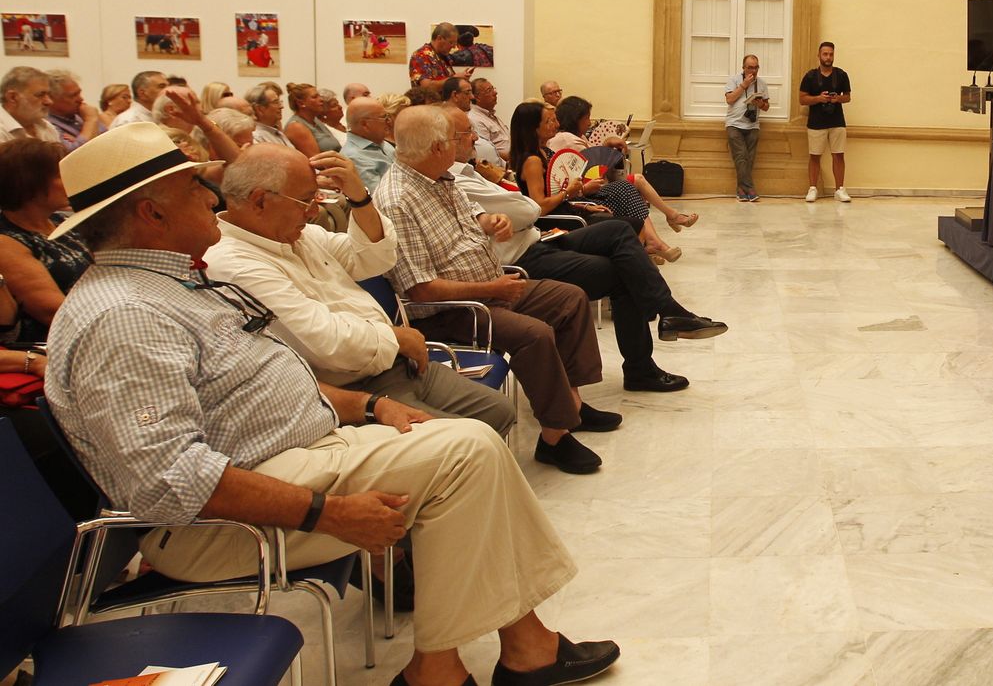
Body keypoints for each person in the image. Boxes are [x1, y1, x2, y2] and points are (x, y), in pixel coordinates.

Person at [42, 124, 620, 686]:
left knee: (473, 448)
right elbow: (170, 481)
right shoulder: (124, 316)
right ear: (153, 213)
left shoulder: (173, 287)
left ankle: (507, 653)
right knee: (465, 456)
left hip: (289, 454)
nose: (213, 197)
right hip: (217, 524)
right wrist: (328, 513)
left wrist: (369, 407)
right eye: (196, 187)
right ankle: (472, 663)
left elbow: (268, 379)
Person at [206, 145, 515, 433]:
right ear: (260, 201)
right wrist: (396, 338)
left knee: (500, 411)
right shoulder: (234, 263)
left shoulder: (300, 235)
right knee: (473, 440)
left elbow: (375, 258)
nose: (314, 211)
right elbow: (324, 341)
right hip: (351, 389)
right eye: (306, 200)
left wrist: (359, 198)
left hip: (396, 363)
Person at [373, 107, 614, 475]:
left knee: (570, 298)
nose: (469, 141)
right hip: (451, 310)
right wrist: (492, 287)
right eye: (460, 137)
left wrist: (490, 221)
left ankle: (572, 404)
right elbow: (420, 290)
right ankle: (555, 436)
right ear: (437, 147)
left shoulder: (439, 177)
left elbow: (472, 215)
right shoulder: (397, 199)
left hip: (490, 287)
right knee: (534, 334)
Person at [442, 107, 721, 378]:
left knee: (620, 229)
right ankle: (649, 353)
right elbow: (530, 209)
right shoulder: (467, 178)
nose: (476, 138)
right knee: (624, 266)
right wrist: (562, 195)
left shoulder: (473, 172)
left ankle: (670, 314)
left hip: (538, 236)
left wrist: (559, 198)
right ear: (446, 140)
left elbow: (524, 205)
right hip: (525, 252)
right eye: (468, 133)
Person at [0, 137, 97, 519]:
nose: (69, 179)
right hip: (51, 342)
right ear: (31, 182)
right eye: (60, 173)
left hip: (90, 328)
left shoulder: (62, 221)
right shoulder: (7, 240)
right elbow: (51, 309)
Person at [550, 97, 695, 260]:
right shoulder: (566, 140)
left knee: (631, 188)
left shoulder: (578, 138)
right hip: (583, 195)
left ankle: (654, 239)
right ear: (576, 120)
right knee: (632, 186)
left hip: (589, 189)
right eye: (587, 119)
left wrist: (606, 146)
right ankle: (661, 231)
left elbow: (594, 159)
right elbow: (589, 168)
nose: (590, 123)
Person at [799, 41, 852, 202]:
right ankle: (813, 188)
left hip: (837, 121)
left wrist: (837, 99)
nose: (828, 57)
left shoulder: (841, 75)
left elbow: (848, 97)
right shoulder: (810, 76)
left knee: (839, 155)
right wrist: (819, 98)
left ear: (834, 55)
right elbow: (802, 99)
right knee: (814, 156)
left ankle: (840, 189)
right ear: (819, 55)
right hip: (816, 122)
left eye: (831, 54)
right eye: (825, 54)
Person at [725, 55, 769, 202]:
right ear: (743, 68)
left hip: (752, 124)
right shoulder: (734, 80)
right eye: (750, 67)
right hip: (734, 124)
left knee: (749, 159)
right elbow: (729, 100)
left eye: (756, 67)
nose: (753, 70)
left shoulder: (762, 84)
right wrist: (744, 85)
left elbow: (767, 107)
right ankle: (750, 188)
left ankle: (740, 190)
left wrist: (760, 104)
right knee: (741, 156)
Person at [441, 77, 502, 167]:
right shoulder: (444, 118)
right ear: (455, 95)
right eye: (467, 92)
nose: (472, 97)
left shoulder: (465, 114)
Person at [343, 96, 397, 192]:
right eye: (384, 117)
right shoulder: (354, 158)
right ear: (365, 124)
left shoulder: (381, 142)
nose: (389, 121)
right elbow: (379, 198)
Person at [46, 70, 106, 150]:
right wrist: (90, 121)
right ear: (51, 99)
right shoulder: (48, 125)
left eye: (79, 93)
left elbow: (110, 141)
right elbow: (75, 155)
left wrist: (79, 140)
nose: (81, 99)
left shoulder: (81, 114)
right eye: (73, 96)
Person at [1, 66, 59, 145]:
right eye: (40, 95)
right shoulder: (2, 130)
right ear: (13, 97)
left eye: (48, 95)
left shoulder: (47, 127)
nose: (49, 102)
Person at [284, 83, 343, 157]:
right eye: (315, 97)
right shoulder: (296, 127)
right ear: (301, 103)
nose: (321, 100)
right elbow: (315, 161)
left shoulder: (315, 120)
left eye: (319, 96)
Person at [409, 22, 464, 94]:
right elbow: (426, 87)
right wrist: (454, 79)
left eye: (455, 43)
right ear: (439, 38)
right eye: (451, 42)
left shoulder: (443, 56)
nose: (454, 47)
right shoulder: (421, 56)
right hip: (429, 104)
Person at [469, 78, 511, 163]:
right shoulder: (475, 119)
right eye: (489, 90)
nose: (495, 93)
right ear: (477, 97)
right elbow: (485, 151)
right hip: (500, 167)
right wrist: (516, 156)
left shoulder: (490, 115)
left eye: (493, 89)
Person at [245, 82, 294, 147]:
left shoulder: (275, 132)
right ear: (259, 109)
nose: (281, 107)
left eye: (280, 102)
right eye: (276, 102)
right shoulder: (256, 137)